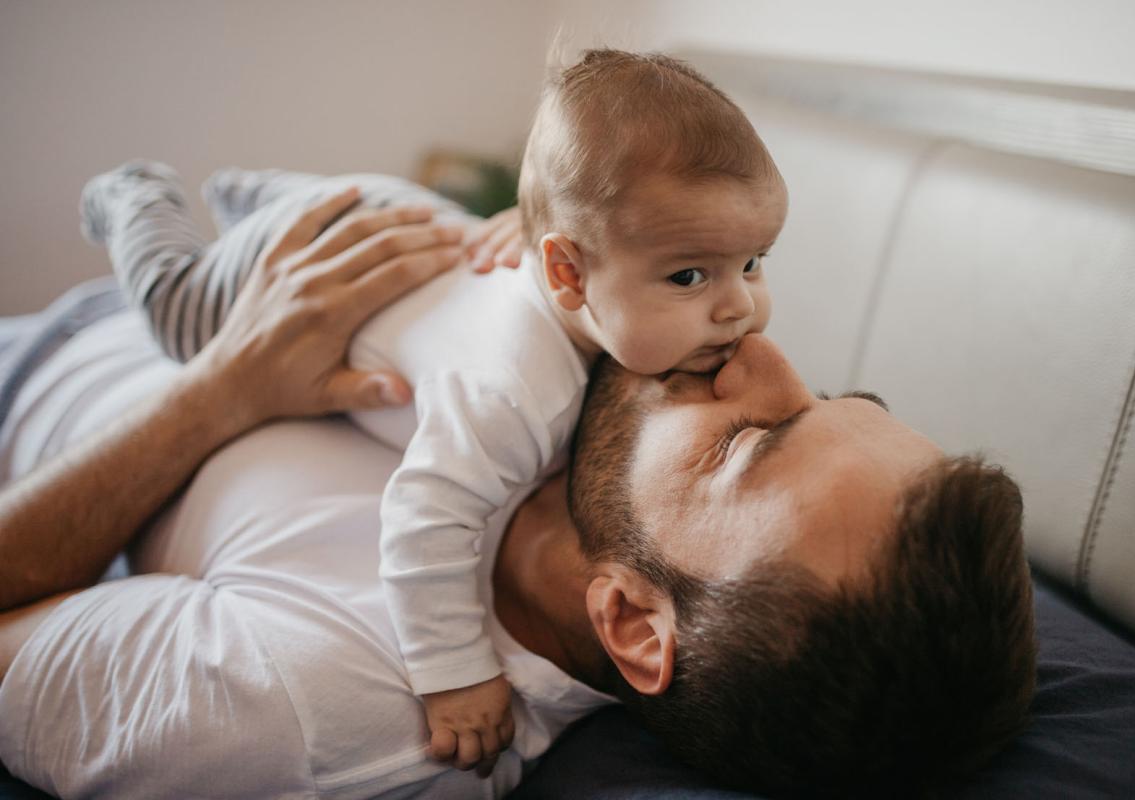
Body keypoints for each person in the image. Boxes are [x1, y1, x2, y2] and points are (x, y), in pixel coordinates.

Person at [0, 200, 1036, 798]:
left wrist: (222, 386)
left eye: (754, 440)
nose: (757, 348)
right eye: (836, 396)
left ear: (631, 620)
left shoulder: (305, 701)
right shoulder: (585, 397)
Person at [78, 48, 789, 771]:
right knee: (179, 318)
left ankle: (247, 192)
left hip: (398, 217)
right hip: (307, 254)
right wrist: (455, 672)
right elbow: (424, 522)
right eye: (691, 275)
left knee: (321, 206)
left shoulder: (610, 298)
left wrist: (538, 222)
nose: (740, 308)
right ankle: (140, 195)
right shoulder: (509, 396)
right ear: (566, 273)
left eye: (755, 261)